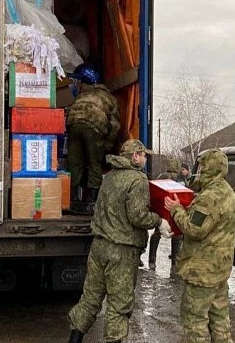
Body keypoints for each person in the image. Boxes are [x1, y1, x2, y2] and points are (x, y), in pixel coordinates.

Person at [68, 139, 172, 343]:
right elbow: (138, 216)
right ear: (135, 156)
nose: (145, 159)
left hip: (99, 247)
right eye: (143, 155)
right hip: (121, 252)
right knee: (119, 306)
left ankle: (74, 340)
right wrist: (159, 221)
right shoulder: (137, 179)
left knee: (89, 300)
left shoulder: (109, 177)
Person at [163, 149, 235, 343]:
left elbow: (194, 229)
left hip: (203, 272)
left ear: (209, 168)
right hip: (219, 270)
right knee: (220, 321)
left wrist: (176, 209)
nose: (201, 170)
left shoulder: (210, 196)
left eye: (203, 166)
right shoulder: (227, 191)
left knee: (194, 321)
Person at [66, 64, 120, 215]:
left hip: (73, 123)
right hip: (94, 126)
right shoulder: (109, 98)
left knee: (75, 162)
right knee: (94, 163)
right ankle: (91, 202)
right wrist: (107, 146)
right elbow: (114, 125)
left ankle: (73, 200)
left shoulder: (83, 95)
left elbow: (70, 109)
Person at [147, 158, 185, 269]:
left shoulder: (161, 177)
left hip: (162, 210)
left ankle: (152, 260)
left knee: (157, 234)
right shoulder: (181, 179)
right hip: (175, 209)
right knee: (177, 236)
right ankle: (174, 262)